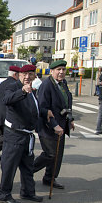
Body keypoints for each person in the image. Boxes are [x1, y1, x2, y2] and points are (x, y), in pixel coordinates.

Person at [0, 64, 42, 203]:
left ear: (34, 76)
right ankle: (4, 194)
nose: (27, 77)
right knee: (9, 166)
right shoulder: (13, 86)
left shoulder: (33, 91)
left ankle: (28, 191)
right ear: (19, 75)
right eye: (24, 74)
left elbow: (34, 109)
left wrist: (46, 114)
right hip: (14, 135)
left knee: (27, 167)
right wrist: (22, 91)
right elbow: (7, 99)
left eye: (30, 74)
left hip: (26, 136)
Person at [33, 60, 75, 190]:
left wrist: (70, 118)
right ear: (51, 71)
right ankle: (28, 170)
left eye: (63, 69)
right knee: (50, 153)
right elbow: (42, 108)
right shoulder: (47, 85)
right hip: (48, 126)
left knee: (57, 154)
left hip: (62, 124)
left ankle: (50, 178)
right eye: (58, 70)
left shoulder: (63, 84)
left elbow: (66, 102)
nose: (61, 72)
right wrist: (54, 125)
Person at [0, 66, 20, 162]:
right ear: (15, 74)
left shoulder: (3, 83)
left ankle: (4, 157)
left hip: (1, 115)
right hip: (7, 116)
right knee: (7, 138)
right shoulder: (14, 84)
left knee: (7, 140)